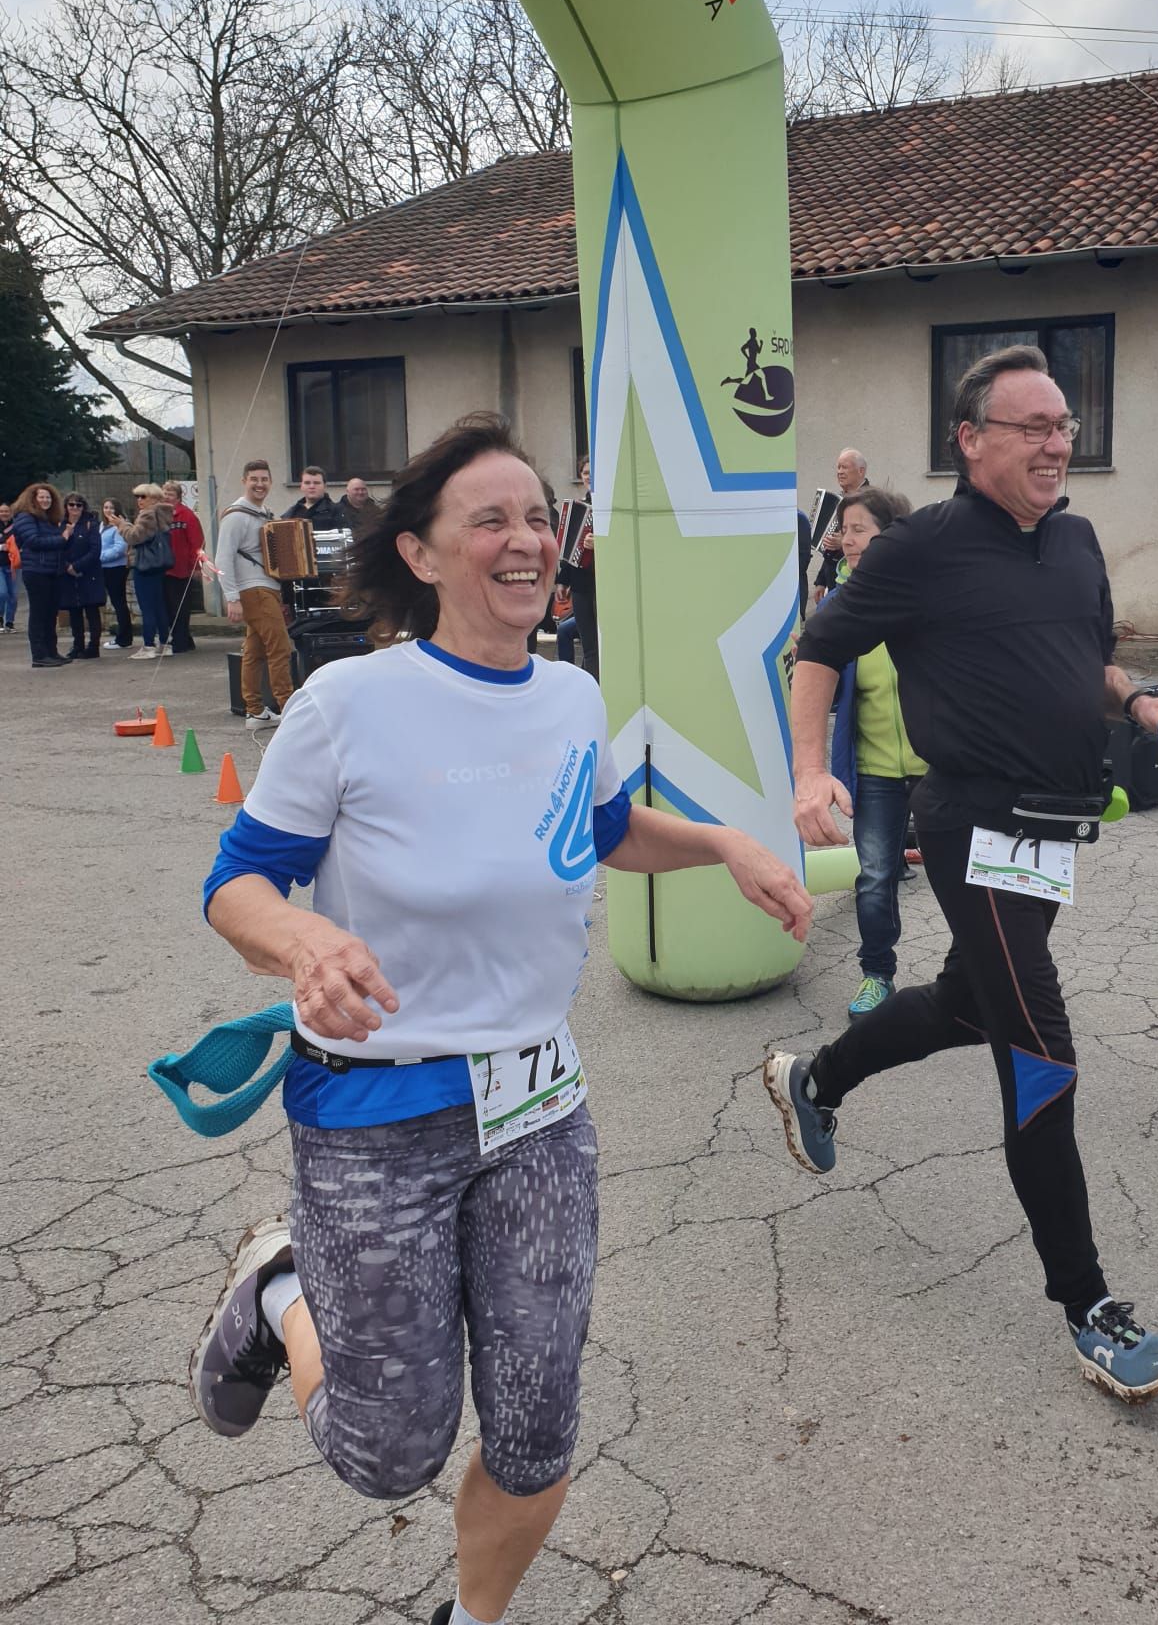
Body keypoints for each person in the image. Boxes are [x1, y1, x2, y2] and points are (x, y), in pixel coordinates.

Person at [190, 413, 810, 1625]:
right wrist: (308, 941)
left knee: (535, 1433)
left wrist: (725, 844)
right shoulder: (348, 703)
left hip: (539, 1114)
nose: (526, 540)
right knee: (388, 1455)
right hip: (375, 1116)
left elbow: (603, 828)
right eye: (491, 520)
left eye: (538, 517)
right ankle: (277, 1290)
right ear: (421, 554)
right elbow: (238, 882)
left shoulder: (570, 697)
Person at [767, 344, 1158, 1405]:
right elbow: (818, 649)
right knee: (1040, 1047)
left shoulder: (1076, 541)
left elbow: (1086, 664)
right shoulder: (920, 548)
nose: (1058, 444)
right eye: (1034, 427)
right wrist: (812, 772)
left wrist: (1140, 699)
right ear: (971, 440)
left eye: (1065, 427)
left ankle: (816, 1079)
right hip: (972, 824)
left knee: (972, 1004)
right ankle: (1089, 1306)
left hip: (1052, 831)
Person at [826, 486, 926, 1019]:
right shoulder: (838, 606)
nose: (847, 540)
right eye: (844, 531)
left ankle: (976, 976)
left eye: (859, 529)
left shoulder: (927, 594)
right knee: (874, 877)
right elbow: (827, 687)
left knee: (962, 878)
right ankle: (876, 976)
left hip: (939, 766)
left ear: (891, 535)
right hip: (875, 769)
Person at [214, 458, 295, 728]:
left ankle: (255, 711)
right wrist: (232, 597)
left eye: (264, 479)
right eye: (254, 479)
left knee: (255, 651)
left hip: (267, 588)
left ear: (270, 482)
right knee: (280, 647)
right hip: (254, 589)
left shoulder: (265, 513)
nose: (259, 484)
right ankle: (288, 707)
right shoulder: (236, 516)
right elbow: (222, 558)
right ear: (244, 481)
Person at [11, 482, 68, 668]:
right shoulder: (25, 517)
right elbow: (33, 541)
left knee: (50, 614)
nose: (45, 500)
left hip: (52, 571)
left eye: (48, 497)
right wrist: (61, 539)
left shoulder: (48, 519)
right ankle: (39, 655)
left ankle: (51, 651)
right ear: (32, 499)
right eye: (41, 497)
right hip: (36, 571)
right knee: (38, 614)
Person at [556, 453, 597, 681]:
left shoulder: (609, 508)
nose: (589, 477)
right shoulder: (581, 506)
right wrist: (563, 581)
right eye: (585, 473)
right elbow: (569, 550)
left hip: (602, 584)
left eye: (593, 472)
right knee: (589, 646)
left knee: (599, 646)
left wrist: (601, 545)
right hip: (581, 585)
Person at [124, 483, 177, 661]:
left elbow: (134, 537)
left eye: (143, 496)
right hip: (158, 565)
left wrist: (121, 525)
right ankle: (164, 643)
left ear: (154, 498)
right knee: (158, 604)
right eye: (137, 496)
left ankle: (148, 645)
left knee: (147, 606)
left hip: (145, 565)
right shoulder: (163, 513)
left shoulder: (148, 514)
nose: (139, 500)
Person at [813, 446, 866, 601]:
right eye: (838, 467)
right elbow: (829, 545)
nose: (840, 472)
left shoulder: (871, 501)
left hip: (858, 581)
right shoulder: (840, 500)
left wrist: (843, 542)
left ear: (861, 471)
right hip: (834, 580)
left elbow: (875, 542)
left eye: (845, 467)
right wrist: (821, 581)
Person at [59, 493, 105, 660]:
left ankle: (93, 646)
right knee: (74, 611)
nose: (75, 508)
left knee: (92, 610)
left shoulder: (90, 524)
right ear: (66, 507)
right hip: (68, 575)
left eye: (78, 505)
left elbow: (95, 550)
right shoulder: (61, 525)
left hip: (89, 573)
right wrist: (67, 567)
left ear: (83, 507)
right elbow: (58, 548)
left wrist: (77, 566)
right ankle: (77, 645)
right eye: (71, 505)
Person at [162, 480, 206, 655]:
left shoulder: (187, 516)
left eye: (170, 494)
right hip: (164, 569)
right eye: (165, 493)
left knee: (179, 608)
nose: (167, 497)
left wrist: (196, 566)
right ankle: (185, 640)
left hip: (181, 570)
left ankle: (180, 642)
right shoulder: (160, 515)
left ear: (178, 497)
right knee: (169, 608)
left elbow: (197, 542)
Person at [99, 499, 135, 651]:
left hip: (116, 568)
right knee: (115, 602)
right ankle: (123, 636)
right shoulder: (102, 525)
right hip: (104, 568)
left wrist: (99, 557)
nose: (108, 510)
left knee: (119, 602)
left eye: (112, 508)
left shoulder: (119, 525)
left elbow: (120, 548)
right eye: (106, 507)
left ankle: (124, 638)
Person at [282, 466, 345, 531]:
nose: (312, 486)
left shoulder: (337, 512)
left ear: (325, 486)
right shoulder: (291, 513)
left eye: (316, 483)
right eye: (307, 483)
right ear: (301, 486)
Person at [0, 499, 18, 633]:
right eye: (1, 511)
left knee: (13, 595)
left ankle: (10, 623)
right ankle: (0, 618)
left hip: (13, 565)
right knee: (2, 593)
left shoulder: (16, 527)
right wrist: (2, 547)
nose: (4, 513)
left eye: (6, 511)